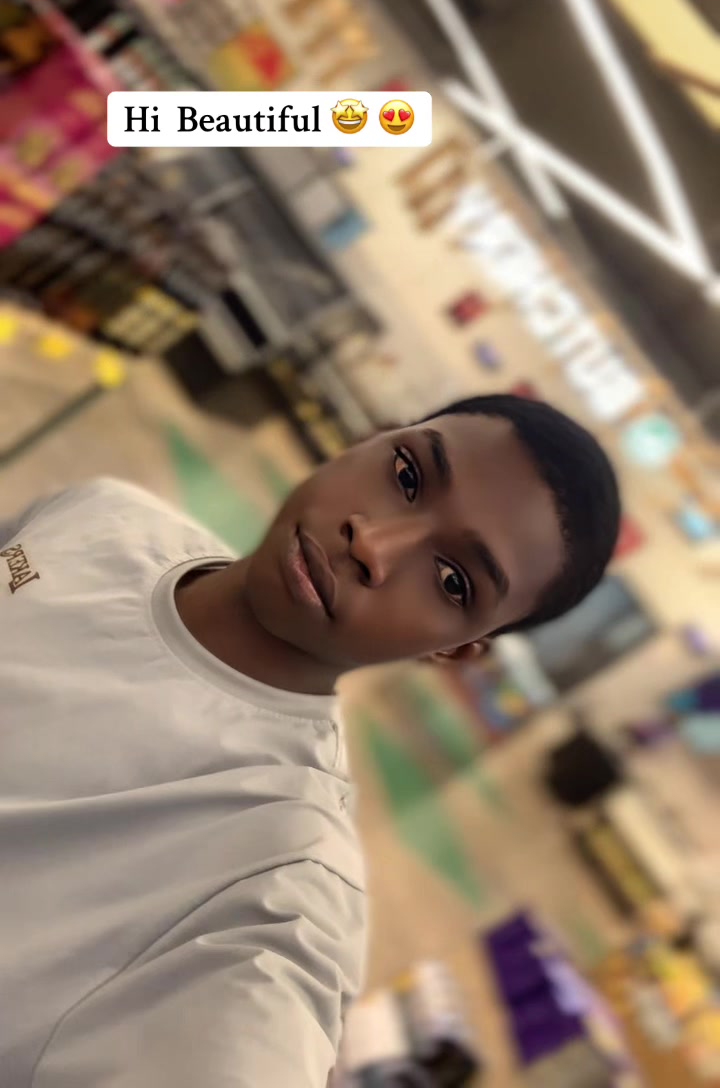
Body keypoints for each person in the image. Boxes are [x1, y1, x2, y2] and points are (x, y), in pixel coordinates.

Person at [0, 393, 620, 1088]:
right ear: (370, 437)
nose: (373, 545)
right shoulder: (104, 515)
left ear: (454, 651)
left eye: (452, 582)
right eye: (407, 475)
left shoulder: (279, 880)